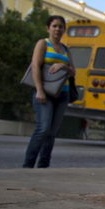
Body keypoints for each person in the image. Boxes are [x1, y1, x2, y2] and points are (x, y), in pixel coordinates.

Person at [23, 16, 75, 168]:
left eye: (60, 27)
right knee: (43, 129)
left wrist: (63, 66)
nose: (57, 29)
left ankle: (43, 166)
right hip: (44, 93)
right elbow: (35, 67)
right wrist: (39, 90)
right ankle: (28, 165)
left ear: (64, 30)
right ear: (48, 28)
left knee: (52, 132)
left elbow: (73, 72)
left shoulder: (66, 49)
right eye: (54, 26)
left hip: (62, 93)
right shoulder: (43, 44)